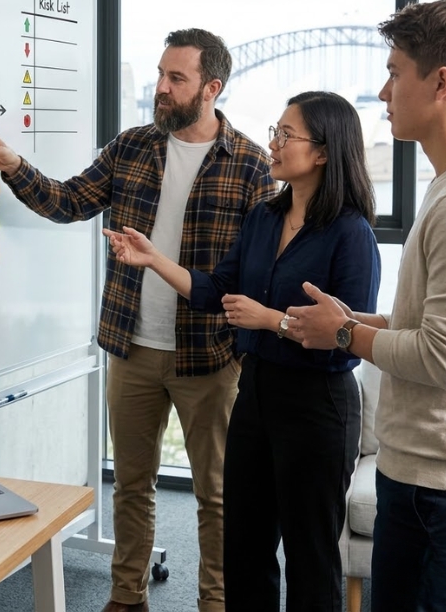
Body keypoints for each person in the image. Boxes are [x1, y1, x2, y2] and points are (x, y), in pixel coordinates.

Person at [0, 28, 276, 612]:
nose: (161, 87)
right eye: (160, 74)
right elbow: (67, 201)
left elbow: (261, 269)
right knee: (131, 486)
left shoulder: (252, 164)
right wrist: (13, 164)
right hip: (131, 347)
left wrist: (244, 344)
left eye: (176, 78)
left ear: (211, 88)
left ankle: (216, 602)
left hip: (209, 355)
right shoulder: (132, 146)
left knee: (217, 496)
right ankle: (126, 597)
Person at [104, 90, 380, 612]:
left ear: (323, 152)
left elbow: (346, 345)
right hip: (254, 393)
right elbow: (216, 290)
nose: (273, 142)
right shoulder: (264, 218)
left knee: (311, 557)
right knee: (246, 549)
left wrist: (271, 320)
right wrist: (153, 259)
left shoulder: (351, 233)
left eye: (286, 134)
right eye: (275, 131)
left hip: (318, 404)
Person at [287, 0, 446, 612]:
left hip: (437, 490)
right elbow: (423, 326)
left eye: (393, 73)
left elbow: (443, 357)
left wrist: (343, 335)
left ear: (440, 83)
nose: (383, 93)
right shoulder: (442, 187)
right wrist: (357, 321)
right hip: (414, 473)